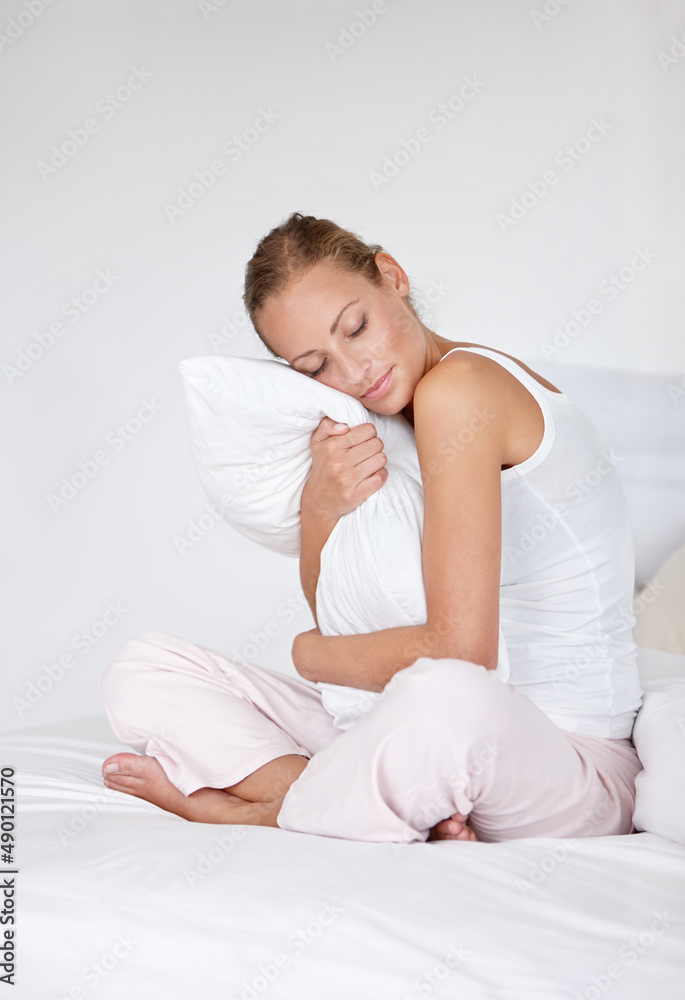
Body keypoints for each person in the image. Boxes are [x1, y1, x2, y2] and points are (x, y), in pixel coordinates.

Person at [100, 212, 643, 844]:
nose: (353, 371)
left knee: (440, 695)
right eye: (316, 366)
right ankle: (349, 796)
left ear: (392, 275)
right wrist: (321, 508)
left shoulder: (460, 392)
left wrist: (310, 655)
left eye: (355, 328)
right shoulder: (382, 423)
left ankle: (264, 811)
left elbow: (461, 655)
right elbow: (343, 608)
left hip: (567, 766)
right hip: (417, 732)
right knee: (145, 668)